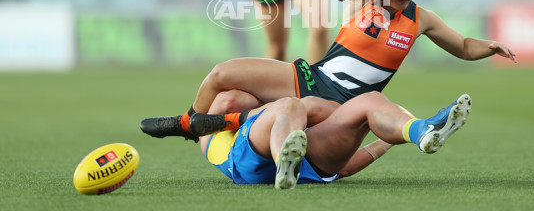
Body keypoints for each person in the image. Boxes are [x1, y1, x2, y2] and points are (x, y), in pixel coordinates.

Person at [140, 0, 516, 142]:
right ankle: (189, 124)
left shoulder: (422, 20)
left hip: (342, 105)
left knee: (277, 113)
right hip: (311, 78)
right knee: (222, 74)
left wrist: (490, 47)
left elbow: (464, 47)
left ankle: (422, 133)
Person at [195, 92, 471, 189]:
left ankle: (420, 131)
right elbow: (227, 101)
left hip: (305, 163)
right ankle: (284, 162)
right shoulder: (232, 108)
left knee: (370, 102)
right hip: (242, 156)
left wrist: (388, 141)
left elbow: (345, 168)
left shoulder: (300, 116)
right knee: (294, 106)